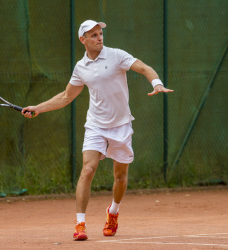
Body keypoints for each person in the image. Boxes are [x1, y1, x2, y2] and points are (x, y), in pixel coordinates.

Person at [22, 20, 174, 241]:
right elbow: (66, 96)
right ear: (83, 40)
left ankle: (113, 212)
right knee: (88, 170)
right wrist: (38, 108)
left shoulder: (117, 55)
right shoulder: (81, 68)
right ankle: (80, 224)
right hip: (95, 125)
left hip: (121, 125)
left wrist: (156, 83)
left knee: (120, 178)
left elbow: (143, 68)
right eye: (93, 35)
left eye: (100, 33)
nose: (99, 38)